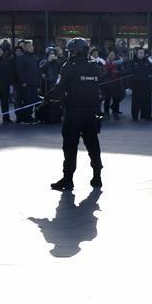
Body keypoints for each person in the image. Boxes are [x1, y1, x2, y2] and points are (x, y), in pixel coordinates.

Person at [45, 38, 103, 191]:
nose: (69, 54)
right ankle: (97, 176)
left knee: (70, 146)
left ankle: (68, 179)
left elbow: (60, 87)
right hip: (91, 111)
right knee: (93, 145)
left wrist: (47, 98)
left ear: (75, 52)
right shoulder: (95, 67)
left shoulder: (69, 67)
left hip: (73, 112)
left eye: (70, 51)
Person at [13, 45, 40, 124]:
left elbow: (36, 70)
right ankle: (24, 117)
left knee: (32, 100)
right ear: (26, 48)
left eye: (32, 46)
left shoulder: (34, 58)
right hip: (26, 83)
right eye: (29, 47)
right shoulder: (22, 57)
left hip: (33, 83)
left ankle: (29, 116)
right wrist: (23, 81)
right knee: (26, 101)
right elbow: (19, 70)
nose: (32, 48)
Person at [128, 47, 152, 121]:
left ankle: (147, 116)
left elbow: (151, 71)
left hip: (146, 85)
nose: (142, 54)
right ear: (137, 53)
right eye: (140, 53)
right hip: (137, 85)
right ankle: (135, 116)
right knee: (136, 101)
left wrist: (150, 77)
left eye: (143, 53)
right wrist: (134, 79)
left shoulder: (147, 62)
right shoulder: (133, 62)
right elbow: (130, 72)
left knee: (147, 101)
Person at [0, 45, 14, 123]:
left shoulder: (6, 61)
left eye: (1, 50)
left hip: (5, 84)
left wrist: (10, 82)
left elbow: (9, 73)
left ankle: (6, 117)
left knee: (5, 102)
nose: (0, 52)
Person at [101, 51, 124, 119]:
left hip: (116, 83)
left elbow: (123, 72)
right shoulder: (105, 63)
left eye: (113, 54)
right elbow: (102, 72)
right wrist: (105, 73)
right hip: (107, 84)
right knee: (107, 99)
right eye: (110, 54)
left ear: (115, 56)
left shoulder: (118, 64)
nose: (111, 56)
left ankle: (115, 112)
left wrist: (118, 72)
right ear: (108, 55)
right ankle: (106, 113)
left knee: (116, 99)